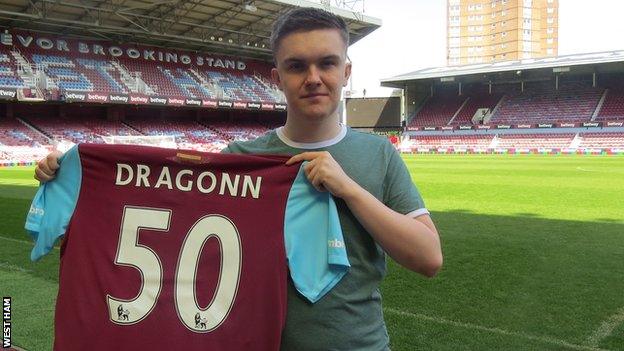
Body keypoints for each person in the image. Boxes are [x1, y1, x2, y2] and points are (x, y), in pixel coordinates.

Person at [34, 7, 442, 350]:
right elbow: (163, 228)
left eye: (327, 63)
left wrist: (348, 188)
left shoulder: (378, 155)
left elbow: (428, 258)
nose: (313, 77)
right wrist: (71, 180)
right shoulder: (238, 160)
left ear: (347, 70)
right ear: (276, 77)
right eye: (296, 66)